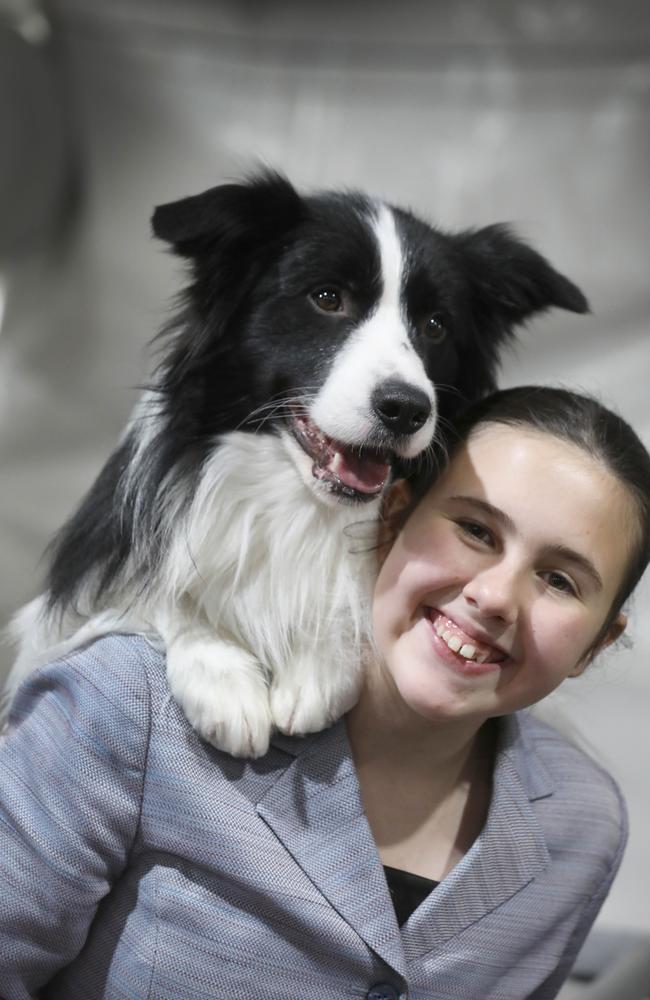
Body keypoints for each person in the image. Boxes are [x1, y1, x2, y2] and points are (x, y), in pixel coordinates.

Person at [1, 385, 649, 1000]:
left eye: (559, 581)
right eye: (476, 531)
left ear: (595, 644)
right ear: (392, 517)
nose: (495, 596)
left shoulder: (583, 826)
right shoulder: (128, 703)